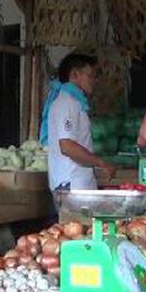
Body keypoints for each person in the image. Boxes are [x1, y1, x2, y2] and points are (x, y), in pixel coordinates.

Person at [40, 53, 116, 192]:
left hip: (77, 185)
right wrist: (100, 162)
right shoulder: (66, 103)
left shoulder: (75, 103)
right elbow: (67, 147)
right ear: (74, 74)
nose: (95, 80)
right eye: (91, 75)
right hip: (71, 185)